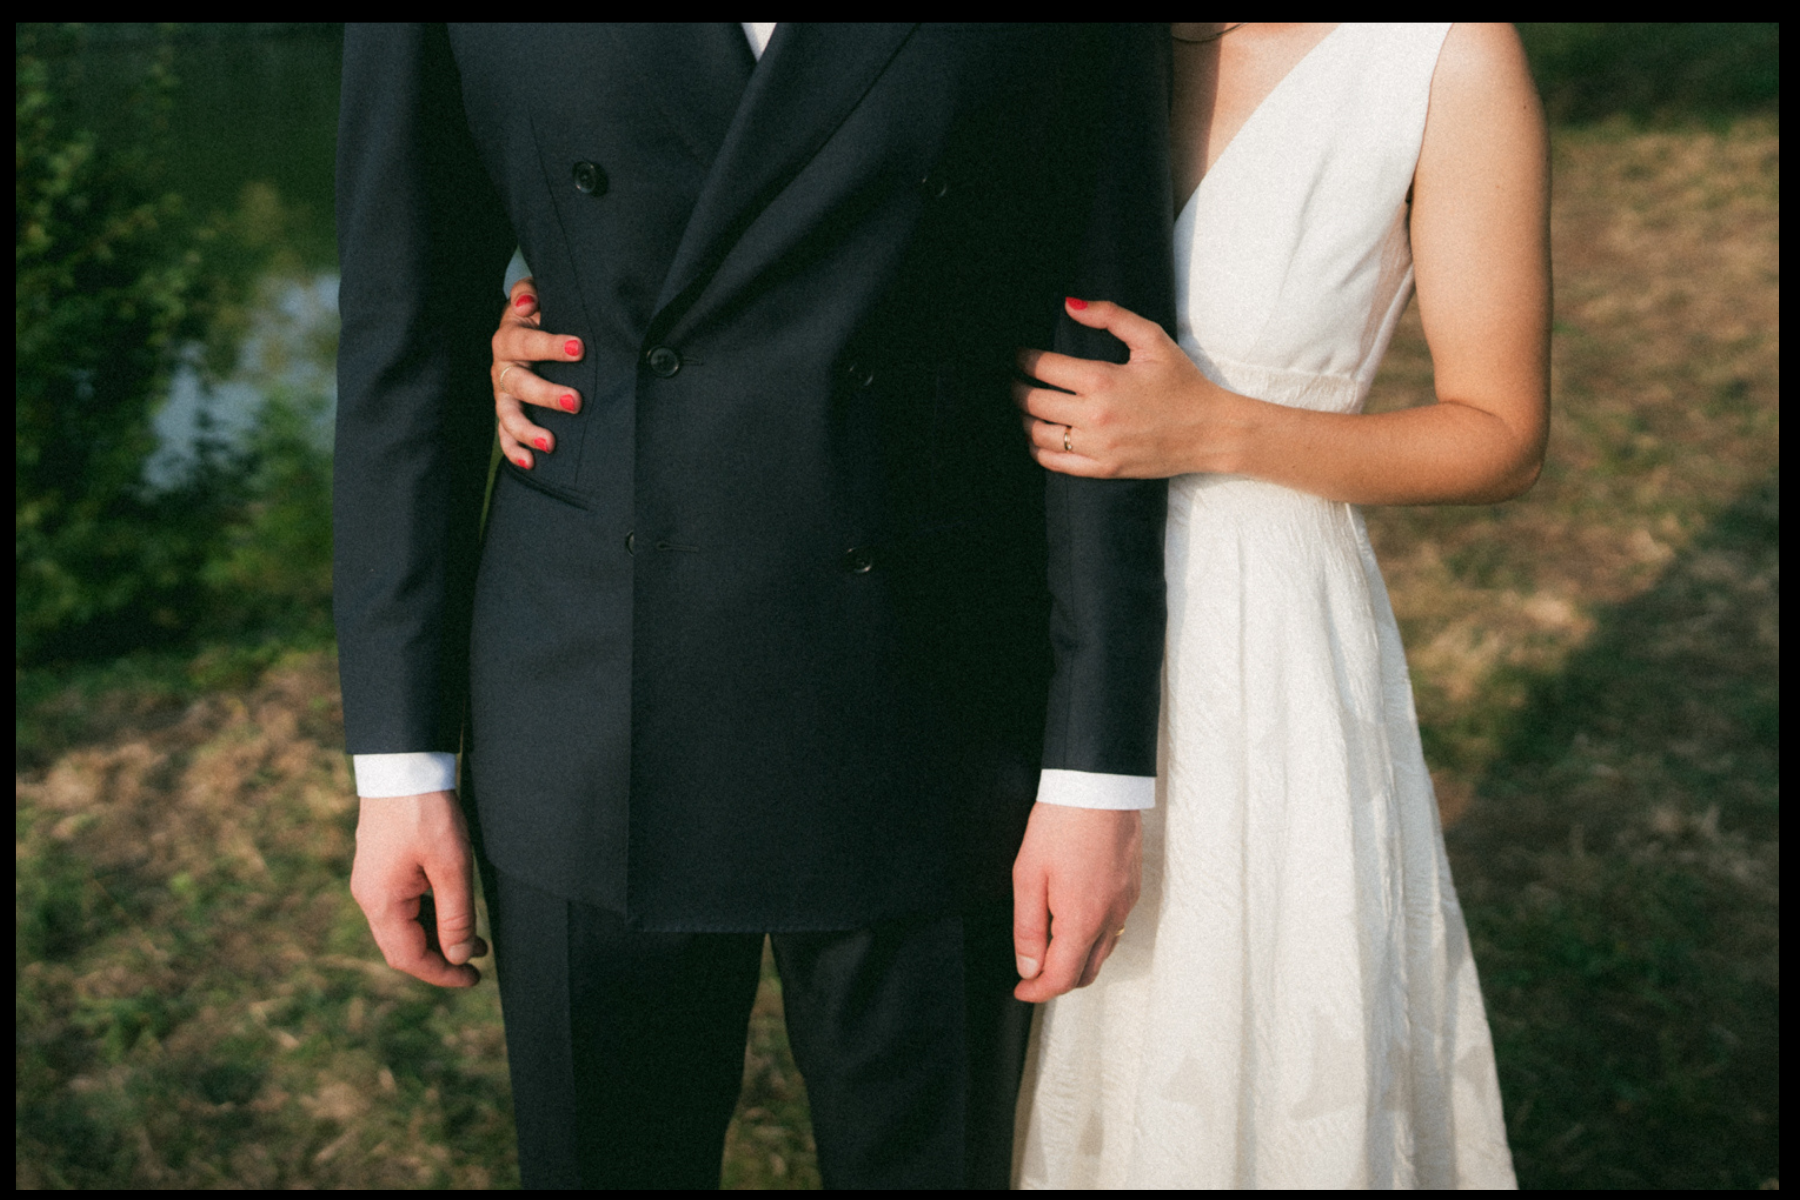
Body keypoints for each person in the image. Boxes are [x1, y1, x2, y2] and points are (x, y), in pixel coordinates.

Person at [494, 17, 1542, 1192]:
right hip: (986, 623)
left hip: (1248, 639)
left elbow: (1502, 436)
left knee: (1229, 1062)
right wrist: (579, 336)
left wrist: (1217, 430)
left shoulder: (1435, 57)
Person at [335, 24, 1173, 1190]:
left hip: (930, 699)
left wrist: (1097, 772)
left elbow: (1106, 357)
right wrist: (399, 765)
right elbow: (402, 348)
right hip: (585, 703)